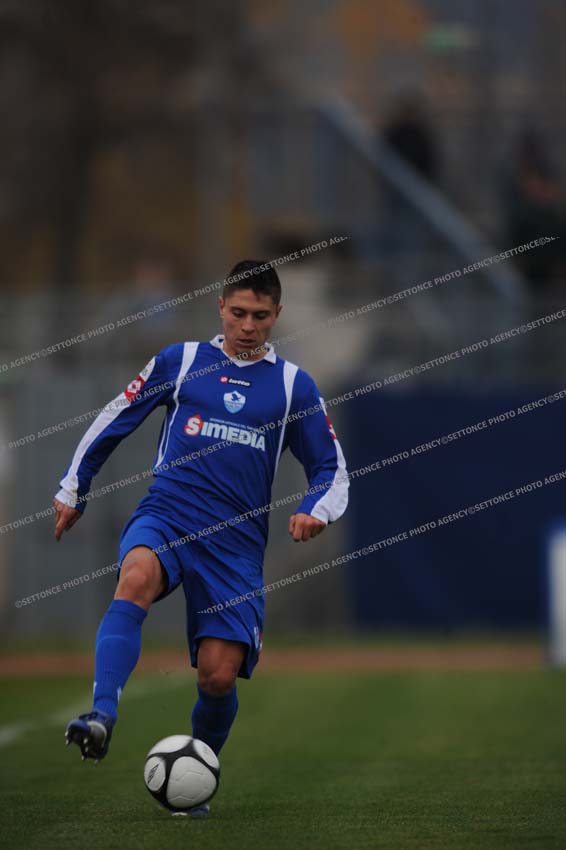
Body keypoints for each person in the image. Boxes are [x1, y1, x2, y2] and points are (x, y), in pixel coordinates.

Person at [53, 260, 349, 816]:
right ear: (220, 307)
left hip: (235, 547)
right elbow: (117, 416)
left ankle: (194, 776)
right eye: (238, 313)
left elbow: (331, 467)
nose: (247, 326)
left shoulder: (293, 385)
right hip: (168, 515)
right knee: (135, 576)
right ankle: (101, 715)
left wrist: (316, 509)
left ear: (277, 315)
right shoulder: (181, 360)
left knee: (217, 676)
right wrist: (74, 486)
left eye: (260, 316)